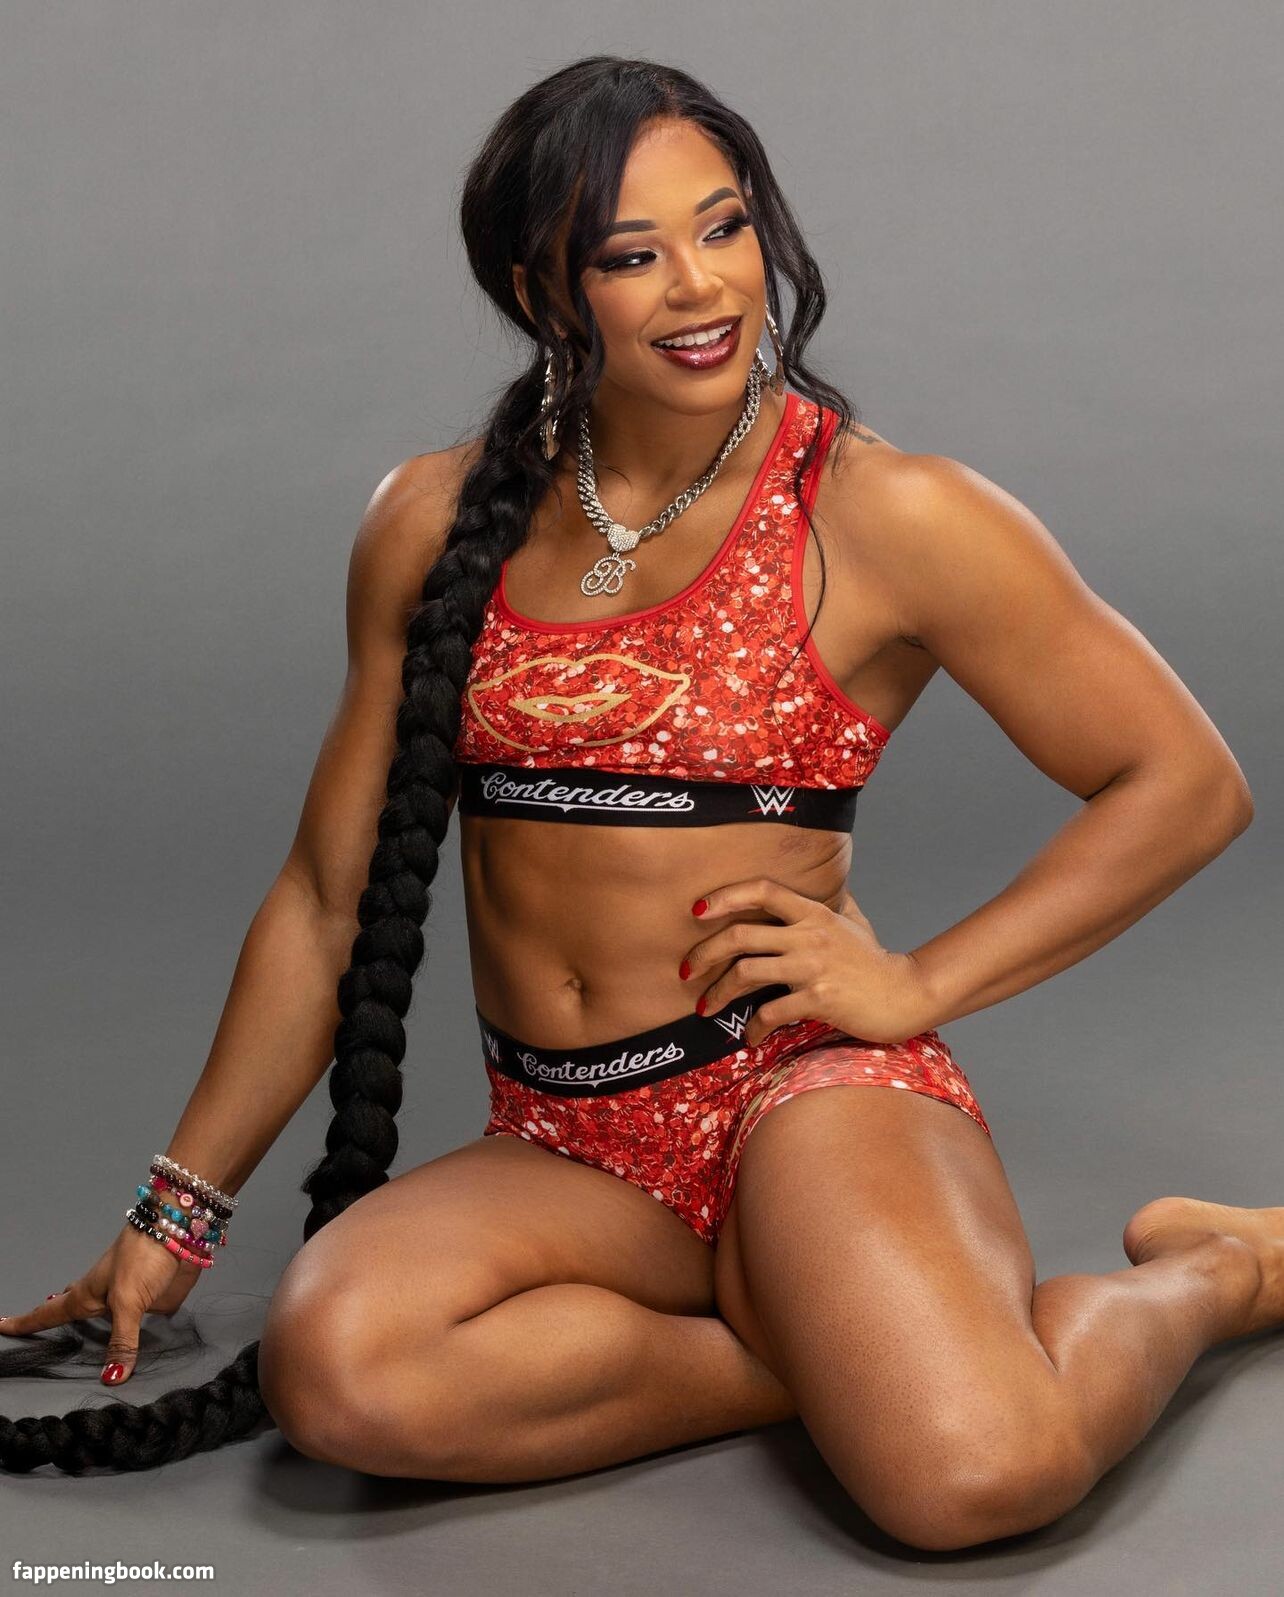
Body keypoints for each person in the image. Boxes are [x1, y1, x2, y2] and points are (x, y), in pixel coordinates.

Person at [1, 53, 1277, 1553]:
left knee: (973, 1477)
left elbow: (1186, 783)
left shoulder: (882, 511)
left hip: (798, 1095)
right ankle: (828, 1356)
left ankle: (1217, 1272)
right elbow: (324, 898)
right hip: (568, 1142)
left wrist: (920, 981)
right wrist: (177, 1209)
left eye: (724, 227)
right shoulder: (432, 520)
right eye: (631, 254)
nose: (699, 285)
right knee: (337, 1373)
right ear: (541, 288)